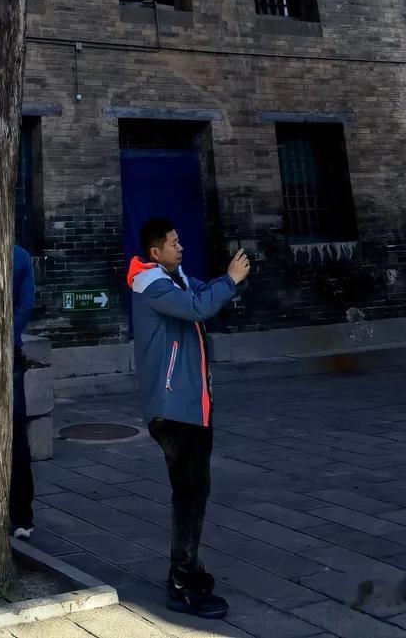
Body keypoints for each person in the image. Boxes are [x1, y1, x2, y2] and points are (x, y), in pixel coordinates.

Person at [126, 217, 251, 618]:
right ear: (155, 252)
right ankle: (182, 581)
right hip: (172, 408)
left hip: (192, 406)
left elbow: (202, 292)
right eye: (174, 243)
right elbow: (199, 306)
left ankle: (189, 569)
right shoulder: (152, 285)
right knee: (189, 493)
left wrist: (227, 280)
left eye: (180, 241)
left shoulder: (175, 278)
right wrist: (230, 281)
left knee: (196, 491)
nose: (181, 247)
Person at [9, 242, 36, 540]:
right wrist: (8, 334)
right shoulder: (21, 256)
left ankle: (19, 514)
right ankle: (21, 518)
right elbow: (26, 305)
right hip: (9, 349)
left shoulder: (19, 258)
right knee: (17, 433)